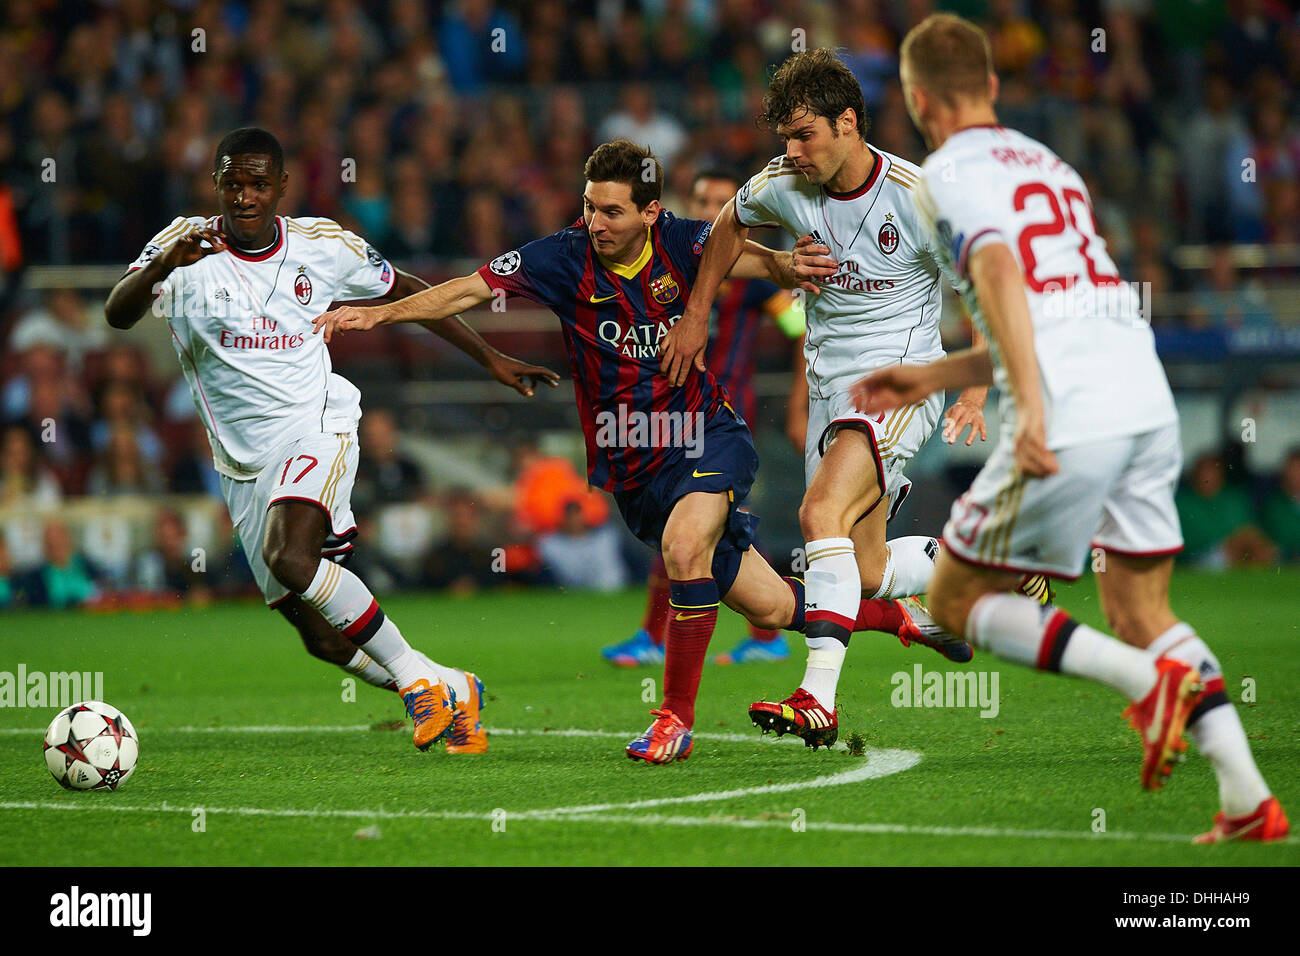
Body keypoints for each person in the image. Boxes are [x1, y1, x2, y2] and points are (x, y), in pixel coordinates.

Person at [853, 13, 1287, 843]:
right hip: (1140, 391)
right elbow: (1053, 308)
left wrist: (1036, 412)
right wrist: (940, 374)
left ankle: (1147, 684)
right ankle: (1246, 798)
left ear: (915, 98)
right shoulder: (1051, 164)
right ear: (993, 85)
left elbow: (1000, 275)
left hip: (1073, 405)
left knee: (956, 598)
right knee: (1139, 604)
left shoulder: (941, 174)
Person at [104, 127, 558, 755]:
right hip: (241, 463)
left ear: (281, 188)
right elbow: (117, 314)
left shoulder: (322, 246)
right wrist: (162, 263)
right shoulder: (183, 245)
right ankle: (453, 686)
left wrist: (489, 357)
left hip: (317, 425)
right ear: (215, 184)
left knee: (291, 556)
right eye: (232, 182)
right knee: (320, 637)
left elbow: (406, 290)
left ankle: (414, 679)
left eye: (258, 183)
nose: (244, 196)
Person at [664, 48, 1040, 747]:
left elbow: (987, 291)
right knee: (861, 569)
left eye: (804, 135)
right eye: (784, 138)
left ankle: (817, 696)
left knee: (819, 511)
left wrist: (973, 390)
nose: (792, 151)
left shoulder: (918, 195)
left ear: (847, 123)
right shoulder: (782, 183)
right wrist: (697, 313)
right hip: (830, 383)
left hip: (903, 376)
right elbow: (725, 229)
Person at [599, 166, 807, 668]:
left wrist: (800, 402)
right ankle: (759, 631)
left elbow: (799, 326)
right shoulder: (673, 269)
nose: (709, 211)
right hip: (673, 413)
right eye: (701, 200)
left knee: (694, 527)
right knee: (693, 529)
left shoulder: (753, 284)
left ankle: (683, 637)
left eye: (720, 202)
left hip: (722, 418)